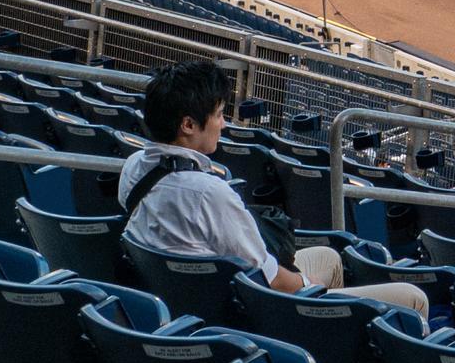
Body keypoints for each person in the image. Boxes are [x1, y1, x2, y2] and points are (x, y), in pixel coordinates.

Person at [119, 61, 428, 315]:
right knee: (413, 298)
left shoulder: (134, 166)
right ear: (188, 125)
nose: (223, 125)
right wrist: (310, 288)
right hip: (247, 310)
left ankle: (339, 326)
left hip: (183, 293)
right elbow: (272, 280)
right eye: (218, 115)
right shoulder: (207, 193)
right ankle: (331, 326)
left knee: (328, 258)